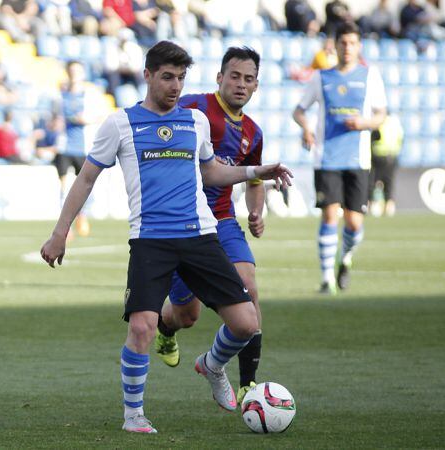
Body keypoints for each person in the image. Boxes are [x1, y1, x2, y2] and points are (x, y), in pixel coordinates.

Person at [40, 41, 292, 434]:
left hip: (199, 235)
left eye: (181, 78)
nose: (175, 86)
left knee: (246, 323)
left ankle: (210, 365)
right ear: (147, 75)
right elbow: (86, 177)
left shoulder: (195, 122)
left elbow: (211, 174)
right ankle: (133, 414)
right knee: (142, 327)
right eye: (167, 77)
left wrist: (257, 171)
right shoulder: (119, 123)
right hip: (150, 240)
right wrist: (60, 234)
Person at [153, 46, 267, 406]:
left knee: (248, 285)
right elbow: (158, 124)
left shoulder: (253, 132)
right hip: (180, 223)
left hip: (221, 220)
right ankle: (165, 328)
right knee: (186, 315)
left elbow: (253, 180)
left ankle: (241, 380)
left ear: (256, 86)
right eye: (234, 76)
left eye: (248, 79)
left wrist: (256, 212)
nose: (240, 84)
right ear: (220, 77)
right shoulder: (195, 106)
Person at [292, 22, 387, 295]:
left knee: (354, 223)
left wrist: (364, 122)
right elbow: (299, 111)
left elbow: (381, 115)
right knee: (329, 216)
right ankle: (326, 280)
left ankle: (345, 260)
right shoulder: (321, 78)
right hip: (327, 158)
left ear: (359, 47)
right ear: (335, 45)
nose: (347, 48)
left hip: (358, 159)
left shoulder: (371, 77)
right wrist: (307, 128)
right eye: (343, 43)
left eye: (352, 43)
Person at [58, 60, 94, 237]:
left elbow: (100, 115)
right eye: (71, 71)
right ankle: (65, 226)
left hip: (84, 147)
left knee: (84, 186)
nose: (74, 74)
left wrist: (87, 119)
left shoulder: (89, 95)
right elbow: (54, 119)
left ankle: (82, 215)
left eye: (77, 71)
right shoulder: (61, 95)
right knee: (64, 187)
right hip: (64, 147)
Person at [369, 113, 403, 217]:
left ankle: (372, 206)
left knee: (374, 182)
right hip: (392, 156)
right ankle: (389, 207)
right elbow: (400, 139)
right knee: (389, 183)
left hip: (378, 156)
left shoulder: (379, 122)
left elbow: (374, 137)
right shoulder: (395, 123)